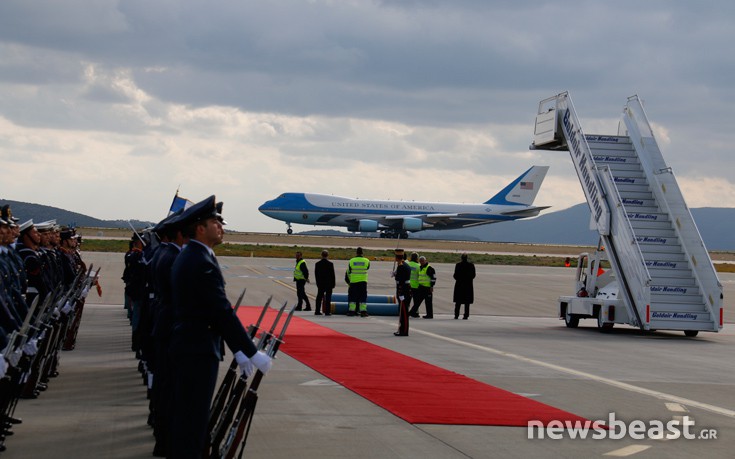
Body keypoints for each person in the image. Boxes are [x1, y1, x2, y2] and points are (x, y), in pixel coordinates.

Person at [168, 195, 272, 458]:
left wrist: (237, 349)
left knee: (189, 420)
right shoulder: (199, 260)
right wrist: (249, 350)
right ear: (200, 228)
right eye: (216, 222)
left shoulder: (195, 256)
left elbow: (211, 309)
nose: (221, 227)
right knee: (192, 421)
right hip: (197, 350)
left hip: (193, 345)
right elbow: (220, 310)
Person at [347, 247, 370, 317]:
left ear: (356, 253)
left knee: (353, 297)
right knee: (363, 296)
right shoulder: (367, 260)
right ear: (362, 253)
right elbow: (368, 268)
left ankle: (351, 311)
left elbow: (349, 270)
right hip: (363, 281)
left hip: (354, 282)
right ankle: (363, 311)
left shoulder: (351, 260)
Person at [392, 249, 411, 336]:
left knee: (403, 312)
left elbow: (401, 280)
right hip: (404, 289)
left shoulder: (401, 266)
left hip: (403, 290)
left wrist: (401, 293)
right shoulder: (403, 265)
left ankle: (404, 331)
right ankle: (401, 329)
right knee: (402, 311)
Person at [452, 254, 476, 320]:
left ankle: (456, 315)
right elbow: (473, 275)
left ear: (461, 258)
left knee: (458, 302)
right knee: (467, 302)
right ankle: (466, 315)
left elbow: (455, 275)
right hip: (468, 285)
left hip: (459, 285)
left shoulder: (458, 265)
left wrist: (460, 279)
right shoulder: (471, 265)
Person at [314, 250, 335, 316]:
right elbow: (332, 275)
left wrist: (317, 283)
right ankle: (327, 312)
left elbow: (316, 274)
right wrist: (333, 283)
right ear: (327, 255)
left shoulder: (317, 264)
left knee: (319, 297)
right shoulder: (330, 264)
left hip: (320, 283)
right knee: (328, 298)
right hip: (328, 283)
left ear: (321, 255)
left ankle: (317, 311)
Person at [406, 252, 420, 317]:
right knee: (416, 301)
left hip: (408, 285)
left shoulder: (407, 264)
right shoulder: (418, 266)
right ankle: (415, 313)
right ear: (417, 258)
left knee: (407, 300)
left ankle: (405, 311)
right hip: (415, 286)